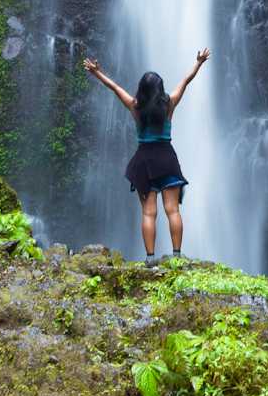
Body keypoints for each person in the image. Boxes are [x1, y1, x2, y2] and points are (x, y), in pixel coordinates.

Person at [82, 48, 210, 262]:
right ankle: (177, 256)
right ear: (160, 90)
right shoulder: (169, 104)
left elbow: (114, 88)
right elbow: (185, 81)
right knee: (173, 211)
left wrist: (96, 72)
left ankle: (150, 259)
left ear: (141, 90)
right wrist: (199, 62)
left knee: (149, 213)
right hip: (167, 160)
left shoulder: (135, 106)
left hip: (143, 162)